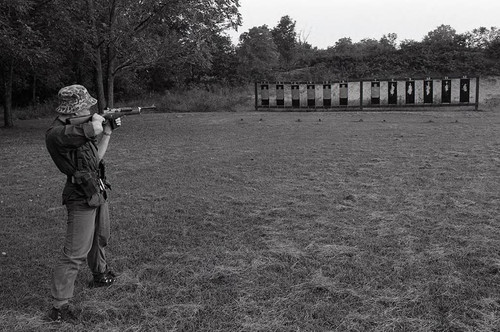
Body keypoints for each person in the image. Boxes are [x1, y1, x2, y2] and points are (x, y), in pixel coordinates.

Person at [45, 84, 120, 323]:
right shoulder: (57, 133)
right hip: (79, 194)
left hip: (95, 188)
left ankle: (99, 273)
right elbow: (88, 129)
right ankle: (60, 306)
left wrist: (107, 131)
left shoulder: (80, 129)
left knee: (100, 237)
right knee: (75, 253)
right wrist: (98, 123)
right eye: (86, 106)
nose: (90, 108)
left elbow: (95, 158)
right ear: (73, 109)